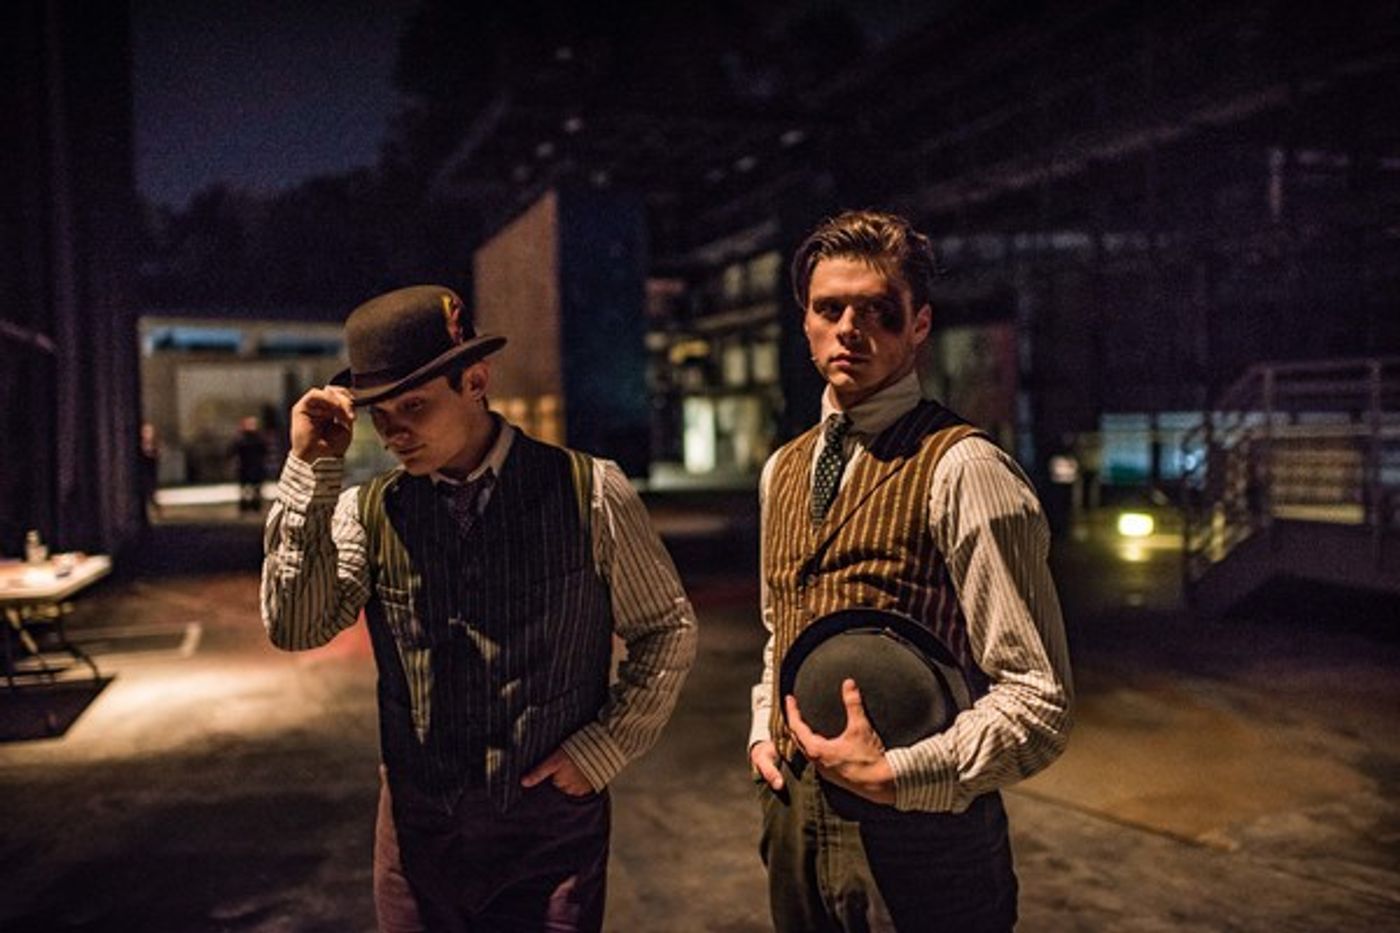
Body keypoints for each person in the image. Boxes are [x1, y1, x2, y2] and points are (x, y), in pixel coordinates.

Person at [261, 284, 697, 932]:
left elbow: (666, 628)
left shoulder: (589, 490)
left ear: (475, 379)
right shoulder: (368, 508)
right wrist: (309, 469)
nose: (394, 431)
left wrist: (603, 748)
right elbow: (296, 625)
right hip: (418, 838)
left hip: (548, 835)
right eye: (380, 412)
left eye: (413, 405)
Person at [748, 211, 1074, 932]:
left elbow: (1040, 699)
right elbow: (782, 630)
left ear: (919, 324)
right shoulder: (785, 468)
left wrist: (903, 775)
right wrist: (762, 733)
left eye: (878, 312)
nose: (850, 328)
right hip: (796, 823)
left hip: (923, 845)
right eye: (829, 308)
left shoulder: (965, 469)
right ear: (804, 320)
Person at [230, 415, 270, 513]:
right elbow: (233, 451)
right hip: (246, 467)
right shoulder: (242, 439)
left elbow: (264, 451)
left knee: (255, 488)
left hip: (254, 467)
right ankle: (246, 506)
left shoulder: (257, 439)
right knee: (245, 489)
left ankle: (254, 506)